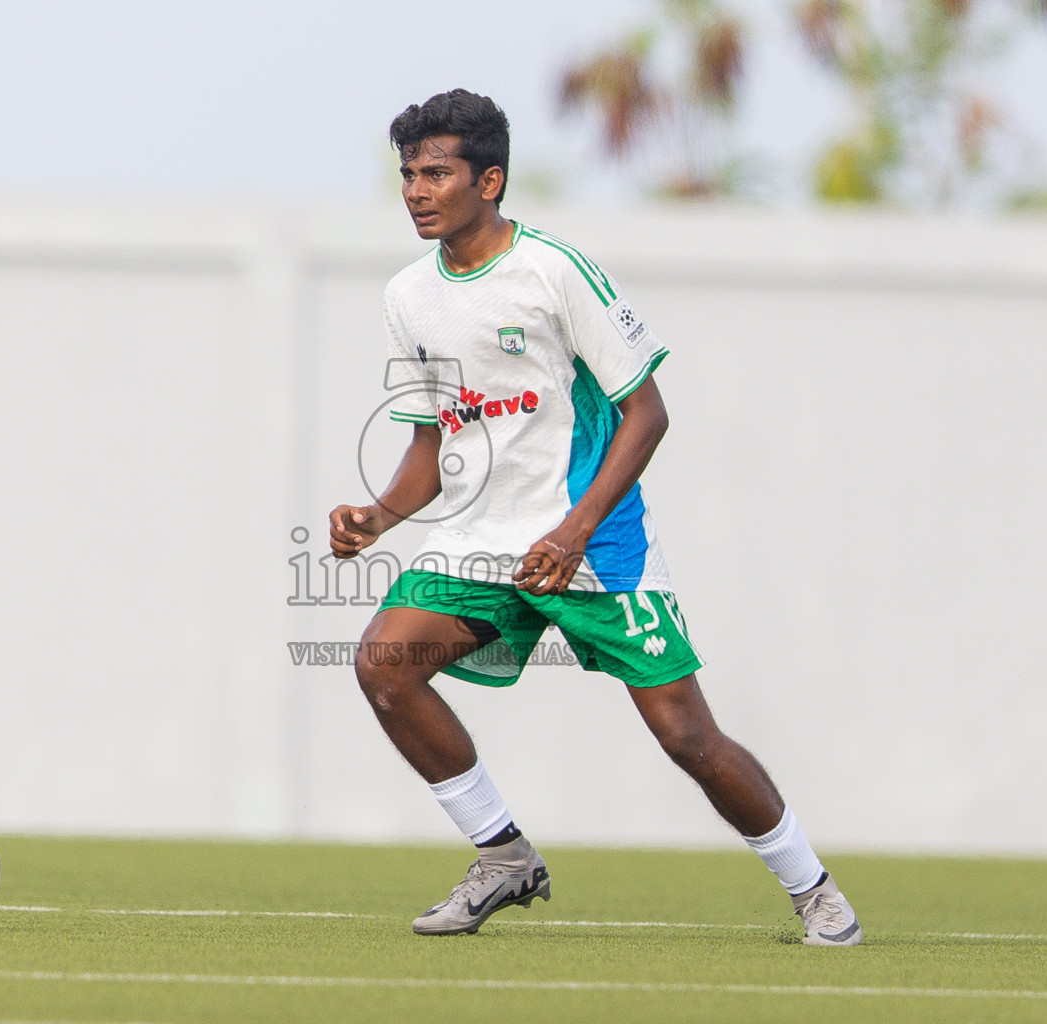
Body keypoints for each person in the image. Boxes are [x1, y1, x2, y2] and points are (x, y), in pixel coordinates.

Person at [328, 88, 861, 946]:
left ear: (489, 179)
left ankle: (814, 889)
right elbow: (432, 442)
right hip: (482, 542)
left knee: (686, 735)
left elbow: (647, 414)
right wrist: (378, 517)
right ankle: (502, 856)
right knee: (385, 665)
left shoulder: (554, 271)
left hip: (591, 544)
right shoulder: (408, 297)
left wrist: (574, 529)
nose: (417, 190)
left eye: (437, 172)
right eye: (408, 174)